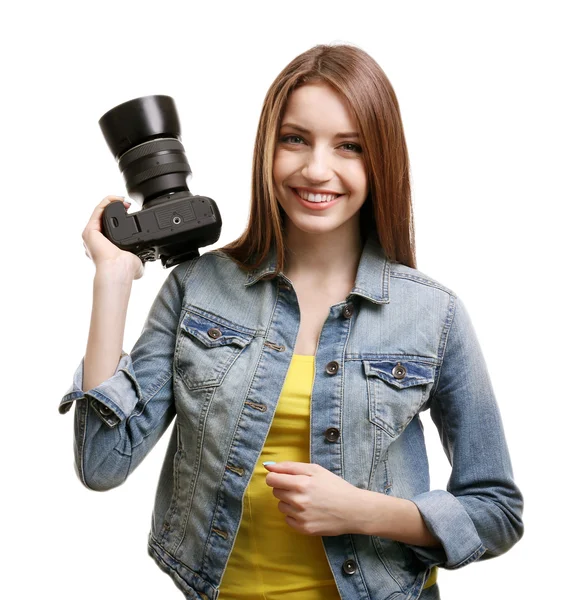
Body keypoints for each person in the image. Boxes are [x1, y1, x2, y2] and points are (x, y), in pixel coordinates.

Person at [60, 43, 524, 600]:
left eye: (348, 146)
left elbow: (496, 508)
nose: (316, 169)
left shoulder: (432, 314)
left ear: (381, 160)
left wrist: (364, 511)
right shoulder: (197, 289)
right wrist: (111, 279)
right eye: (295, 139)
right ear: (267, 149)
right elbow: (101, 463)